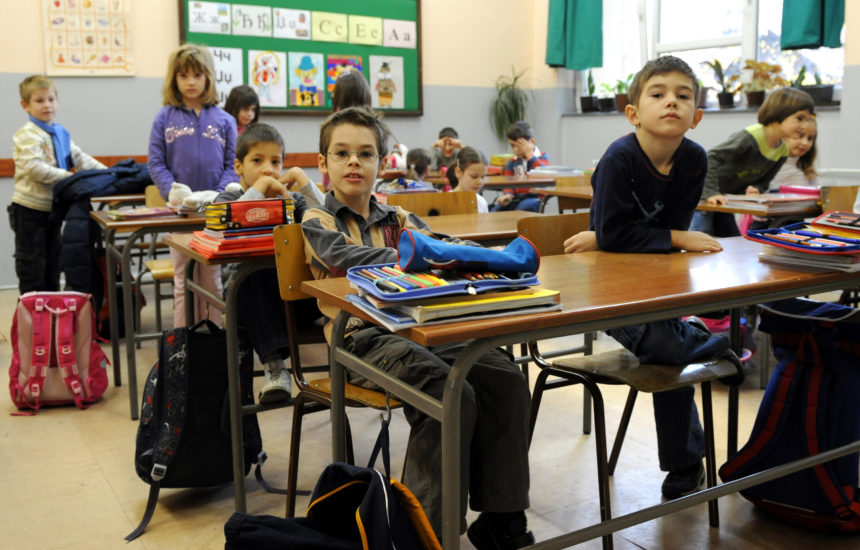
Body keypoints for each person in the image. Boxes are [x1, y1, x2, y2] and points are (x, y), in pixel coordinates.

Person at [301, 106, 534, 549]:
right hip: (359, 339)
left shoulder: (397, 219)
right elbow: (343, 258)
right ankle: (423, 535)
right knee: (449, 393)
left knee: (505, 378)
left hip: (419, 329)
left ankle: (503, 520)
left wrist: (479, 253)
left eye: (365, 154)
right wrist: (417, 254)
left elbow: (441, 246)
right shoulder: (319, 218)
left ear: (381, 164)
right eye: (342, 153)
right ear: (323, 164)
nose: (354, 162)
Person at [564, 55, 739, 500]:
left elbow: (642, 237)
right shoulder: (619, 159)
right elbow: (625, 234)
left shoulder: (694, 160)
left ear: (696, 116)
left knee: (664, 349)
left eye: (683, 97)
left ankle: (684, 464)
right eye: (658, 94)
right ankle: (712, 343)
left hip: (658, 284)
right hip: (606, 290)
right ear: (633, 112)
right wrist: (616, 238)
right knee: (663, 347)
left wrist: (613, 237)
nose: (671, 103)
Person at [215, 123, 324, 403]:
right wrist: (259, 190)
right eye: (257, 161)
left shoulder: (293, 198)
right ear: (238, 166)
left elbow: (330, 223)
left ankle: (352, 351)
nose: (268, 170)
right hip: (251, 302)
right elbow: (221, 228)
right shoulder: (229, 198)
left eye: (276, 162)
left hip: (294, 299)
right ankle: (276, 368)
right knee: (253, 275)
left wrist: (303, 181)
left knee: (329, 270)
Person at [148, 43, 239, 328]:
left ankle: (214, 339)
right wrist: (173, 191)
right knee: (182, 280)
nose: (190, 82)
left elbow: (232, 164)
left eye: (197, 75)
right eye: (183, 75)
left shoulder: (225, 120)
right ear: (174, 79)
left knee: (212, 280)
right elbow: (155, 162)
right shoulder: (163, 118)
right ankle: (183, 340)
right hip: (181, 213)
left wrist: (217, 195)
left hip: (214, 213)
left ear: (208, 77)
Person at [10, 74, 106, 294]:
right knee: (33, 268)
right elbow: (33, 168)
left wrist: (108, 173)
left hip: (53, 210)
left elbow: (80, 159)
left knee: (53, 266)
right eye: (39, 100)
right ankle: (33, 320)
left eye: (51, 99)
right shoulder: (27, 135)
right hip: (30, 212)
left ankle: (51, 318)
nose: (47, 105)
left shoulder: (59, 132)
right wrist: (67, 177)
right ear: (25, 105)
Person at [690, 87, 815, 236]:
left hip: (722, 201)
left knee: (732, 242)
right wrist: (710, 192)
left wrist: (755, 188)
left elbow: (764, 181)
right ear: (779, 113)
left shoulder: (782, 150)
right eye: (800, 118)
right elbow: (712, 156)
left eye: (807, 119)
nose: (804, 125)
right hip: (700, 197)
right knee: (699, 239)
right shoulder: (751, 136)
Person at [492, 121, 550, 212]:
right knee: (495, 211)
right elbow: (508, 183)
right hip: (515, 198)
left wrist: (530, 156)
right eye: (512, 146)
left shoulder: (542, 157)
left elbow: (545, 173)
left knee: (522, 209)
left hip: (535, 198)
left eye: (520, 146)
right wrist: (508, 194)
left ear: (531, 142)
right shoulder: (512, 162)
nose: (515, 150)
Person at [768, 117, 818, 190]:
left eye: (810, 138)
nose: (805, 143)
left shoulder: (807, 169)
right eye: (799, 136)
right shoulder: (768, 166)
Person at [448, 146, 490, 213]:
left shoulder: (482, 202)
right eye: (474, 176)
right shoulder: (446, 202)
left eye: (483, 177)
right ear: (458, 172)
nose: (480, 182)